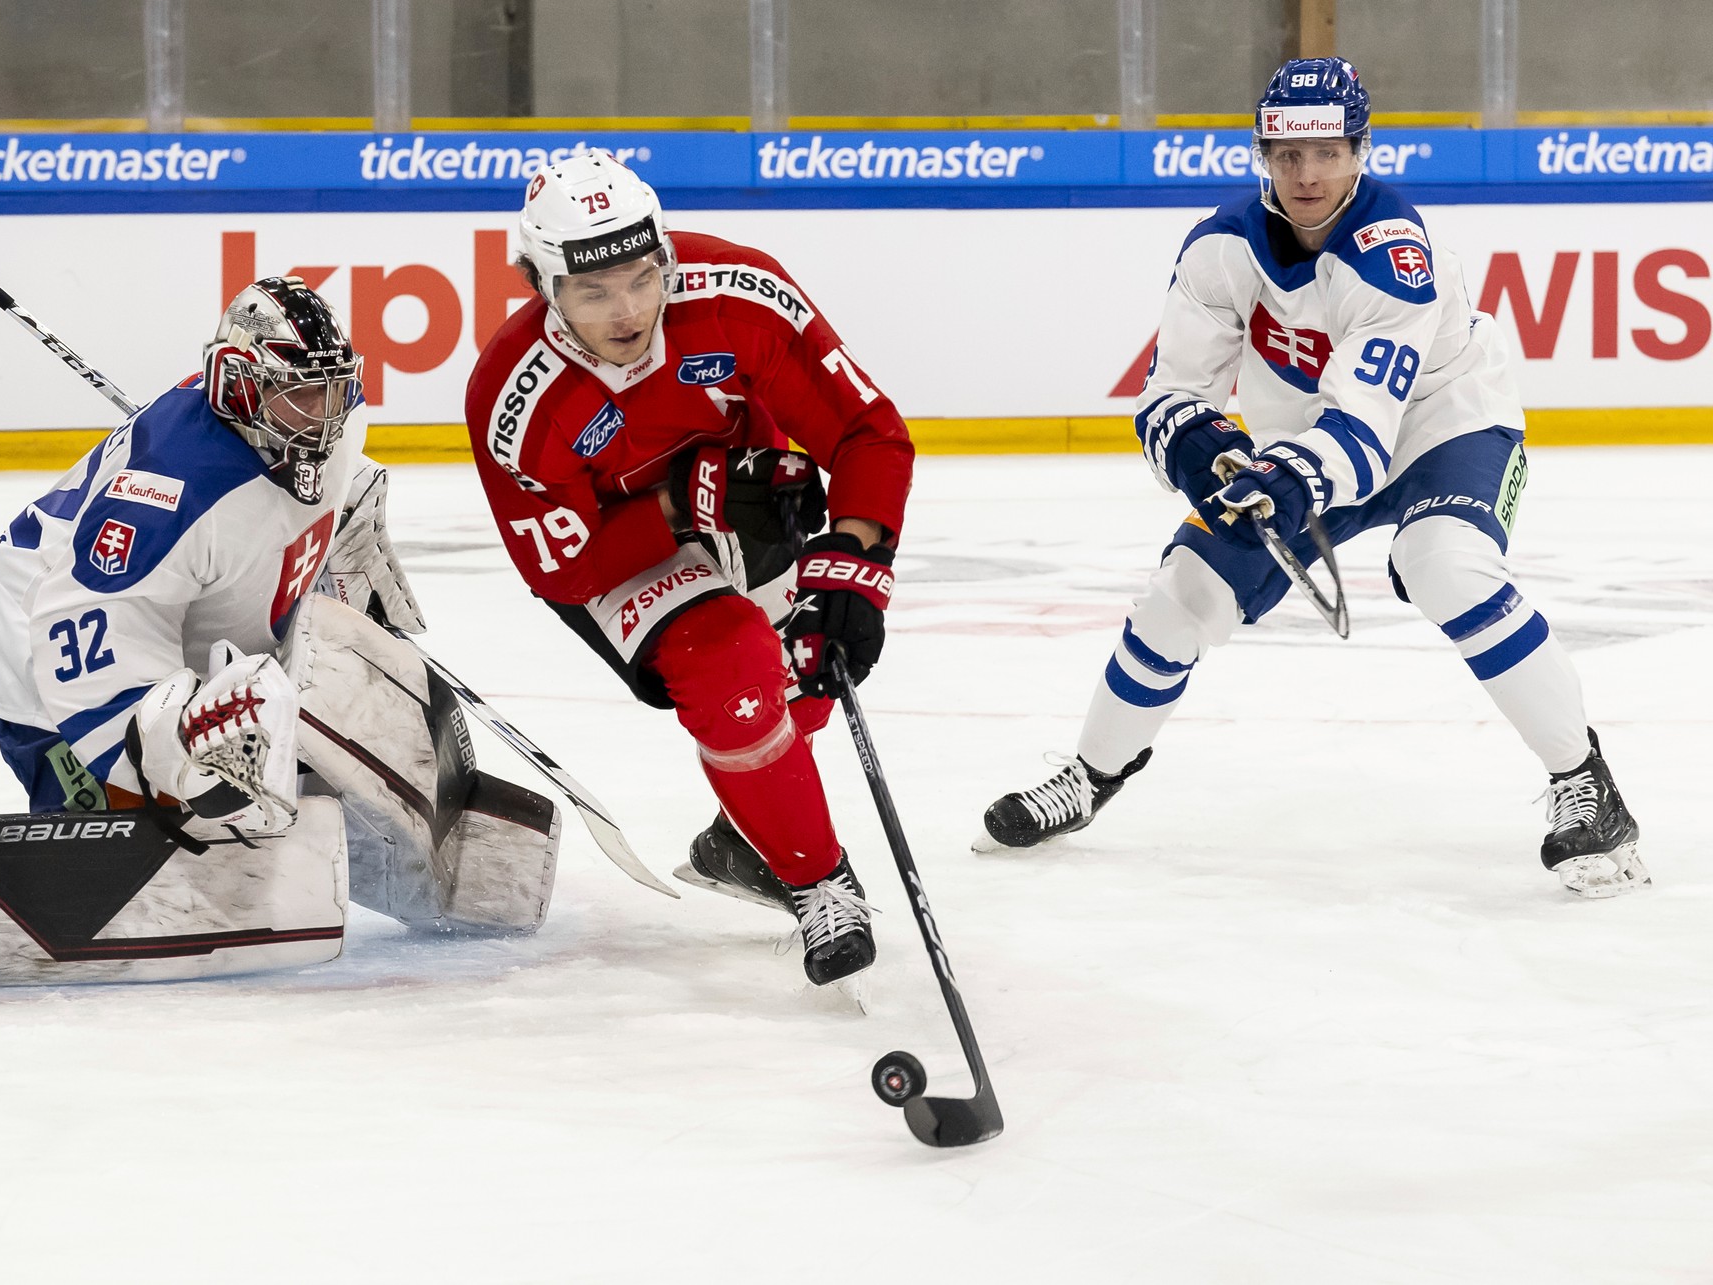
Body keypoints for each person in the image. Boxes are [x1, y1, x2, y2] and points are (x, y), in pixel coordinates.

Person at [981, 57, 1646, 898]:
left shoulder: (1395, 253)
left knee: (1446, 563)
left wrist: (1288, 475)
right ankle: (1089, 775)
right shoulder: (1221, 249)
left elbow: (1367, 431)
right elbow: (1170, 393)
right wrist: (1204, 448)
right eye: (1287, 155)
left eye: (1327, 152)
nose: (1306, 174)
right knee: (1183, 589)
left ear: (1362, 150)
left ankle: (1584, 780)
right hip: (1307, 442)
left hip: (1444, 424)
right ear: (1262, 154)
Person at [0, 277, 561, 988]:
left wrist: (349, 547)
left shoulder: (318, 425)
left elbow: (345, 472)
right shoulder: (165, 493)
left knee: (273, 734)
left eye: (335, 393)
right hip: (51, 646)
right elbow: (83, 647)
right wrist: (165, 764)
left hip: (192, 620)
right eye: (302, 398)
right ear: (241, 383)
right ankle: (73, 836)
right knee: (172, 806)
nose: (325, 418)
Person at [464, 154, 916, 985]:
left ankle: (744, 840)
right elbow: (565, 566)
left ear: (664, 249)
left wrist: (856, 564)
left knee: (809, 664)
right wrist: (688, 503)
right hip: (625, 549)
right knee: (731, 663)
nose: (629, 309)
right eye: (593, 291)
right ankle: (814, 874)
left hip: (749, 489)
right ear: (539, 281)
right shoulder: (513, 399)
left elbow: (868, 432)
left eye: (643, 276)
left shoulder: (741, 295)